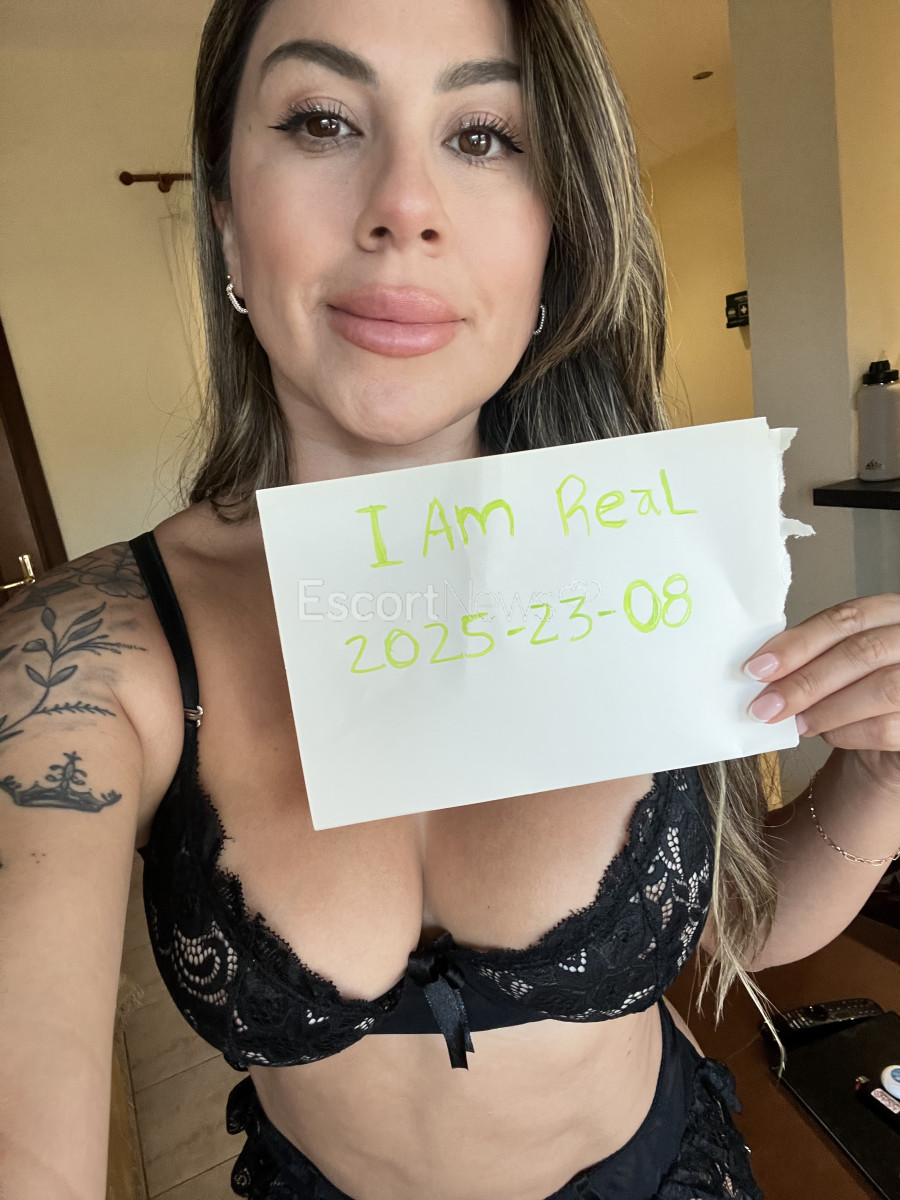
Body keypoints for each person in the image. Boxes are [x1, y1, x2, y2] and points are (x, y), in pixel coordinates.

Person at [2, 1, 899, 1197]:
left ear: (555, 232)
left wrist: (882, 777)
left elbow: (736, 923)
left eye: (483, 136)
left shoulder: (648, 566)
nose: (404, 206)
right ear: (223, 212)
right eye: (322, 120)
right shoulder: (81, 661)